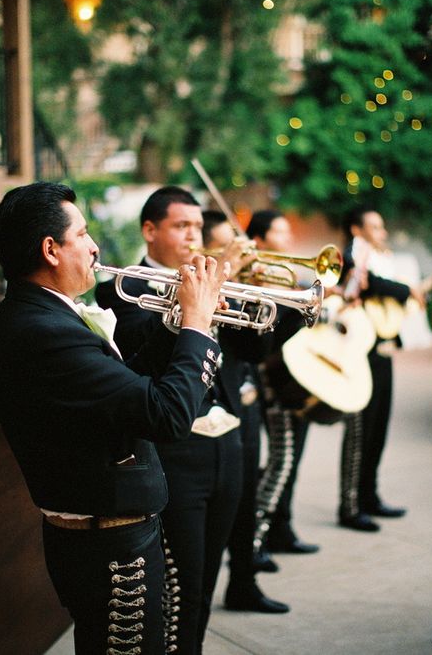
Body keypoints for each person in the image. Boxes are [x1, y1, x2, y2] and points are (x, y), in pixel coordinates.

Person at [0, 182, 228, 655]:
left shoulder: (45, 316)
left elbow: (126, 389)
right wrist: (197, 326)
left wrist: (175, 324)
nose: (94, 246)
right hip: (112, 553)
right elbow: (166, 416)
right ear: (51, 249)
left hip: (115, 538)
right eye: (82, 234)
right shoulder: (42, 330)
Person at [96, 189, 287, 654]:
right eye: (182, 226)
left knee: (204, 581)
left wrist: (280, 298)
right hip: (178, 453)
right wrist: (202, 293)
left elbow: (256, 351)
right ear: (150, 231)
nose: (193, 236)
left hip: (228, 444)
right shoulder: (123, 287)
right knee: (178, 585)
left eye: (198, 228)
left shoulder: (213, 278)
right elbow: (140, 354)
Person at [201, 210, 290, 614]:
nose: (235, 254)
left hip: (247, 403)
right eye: (225, 246)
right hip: (212, 415)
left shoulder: (238, 286)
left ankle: (243, 581)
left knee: (246, 497)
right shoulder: (205, 288)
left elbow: (260, 350)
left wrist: (283, 303)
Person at [246, 209, 320, 559]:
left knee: (292, 458)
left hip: (297, 377)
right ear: (258, 239)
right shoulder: (255, 277)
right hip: (272, 379)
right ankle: (253, 541)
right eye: (279, 232)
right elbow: (266, 331)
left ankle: (281, 529)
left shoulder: (284, 276)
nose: (288, 239)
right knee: (281, 460)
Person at [342, 206, 425, 520]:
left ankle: (369, 496)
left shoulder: (380, 256)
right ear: (356, 229)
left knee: (379, 429)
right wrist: (408, 290)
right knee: (361, 431)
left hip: (382, 350)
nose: (382, 232)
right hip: (360, 352)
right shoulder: (350, 257)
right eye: (375, 227)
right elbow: (372, 284)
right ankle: (349, 505)